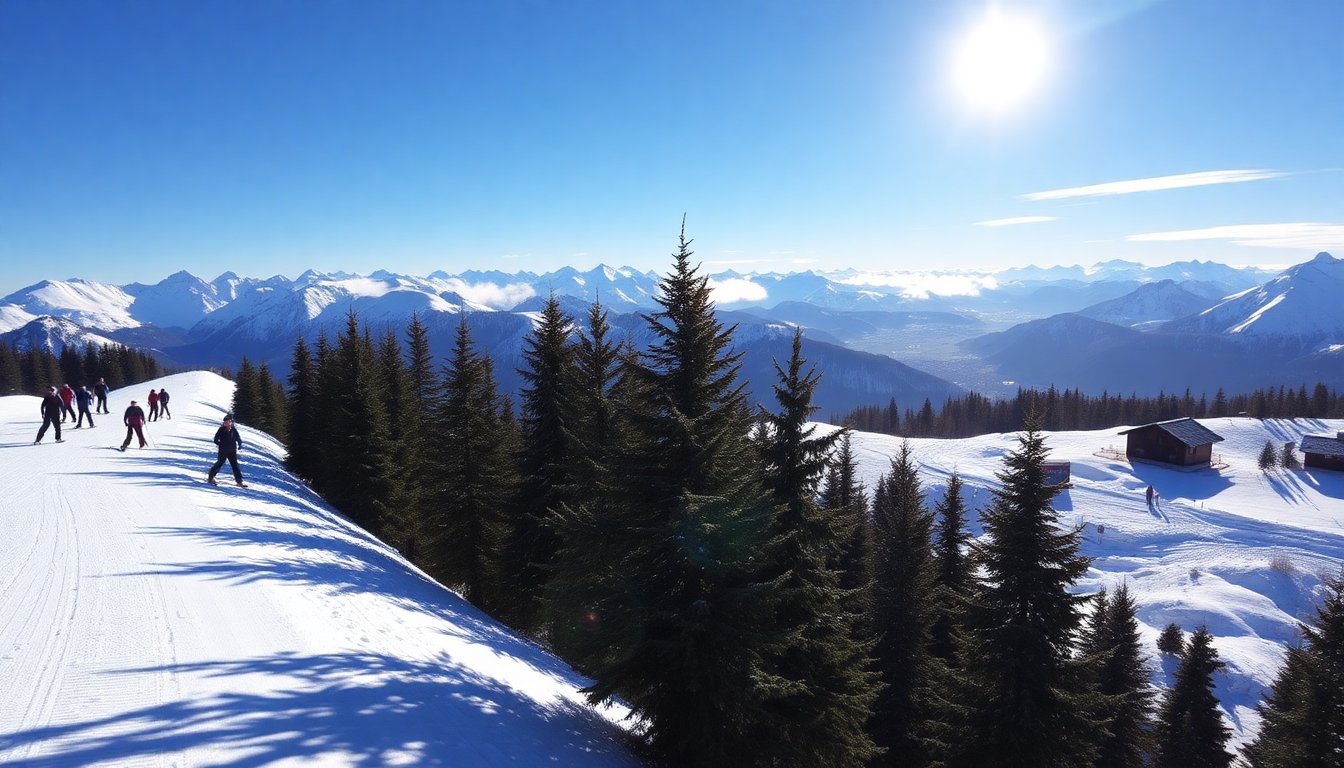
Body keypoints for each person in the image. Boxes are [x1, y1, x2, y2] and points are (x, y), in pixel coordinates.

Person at [207, 414, 247, 487]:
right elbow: (215, 439)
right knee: (219, 463)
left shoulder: (233, 429)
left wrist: (240, 444)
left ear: (231, 422)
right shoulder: (221, 429)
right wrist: (220, 444)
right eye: (225, 422)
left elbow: (238, 437)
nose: (227, 423)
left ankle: (239, 482)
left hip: (232, 451)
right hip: (223, 451)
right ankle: (211, 477)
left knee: (235, 465)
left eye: (228, 421)